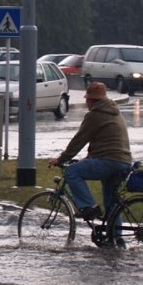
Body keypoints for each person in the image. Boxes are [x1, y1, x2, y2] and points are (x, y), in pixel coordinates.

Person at [47, 81, 132, 226]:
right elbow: (104, 143)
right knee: (111, 202)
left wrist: (61, 159)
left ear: (91, 100)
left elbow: (78, 141)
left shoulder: (95, 115)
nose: (86, 102)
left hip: (108, 161)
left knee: (72, 172)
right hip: (124, 162)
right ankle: (116, 238)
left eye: (87, 99)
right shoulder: (114, 111)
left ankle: (88, 207)